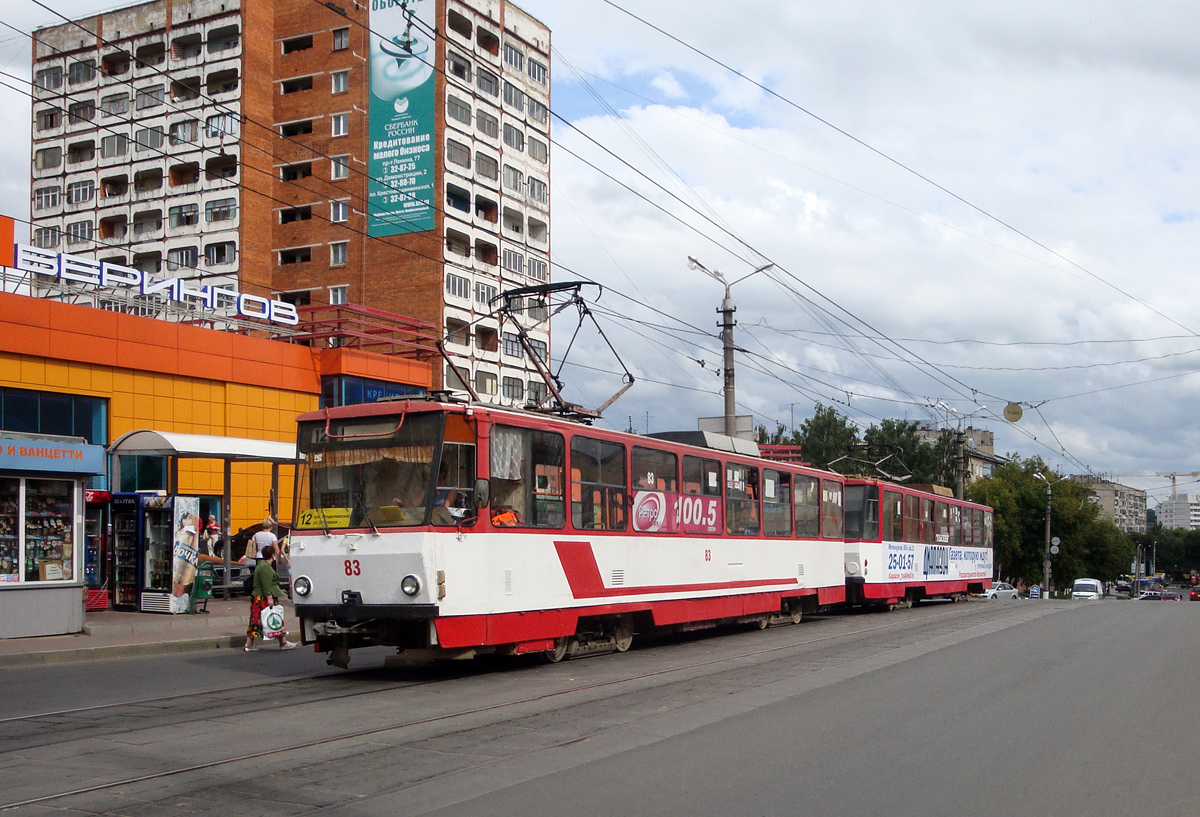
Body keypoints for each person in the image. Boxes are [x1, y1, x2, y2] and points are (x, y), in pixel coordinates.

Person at [244, 544, 296, 652]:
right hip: (263, 598)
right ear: (272, 555)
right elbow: (266, 583)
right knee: (274, 618)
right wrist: (269, 597)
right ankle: (283, 642)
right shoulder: (265, 567)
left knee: (256, 619)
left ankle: (250, 644)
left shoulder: (261, 565)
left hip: (258, 597)